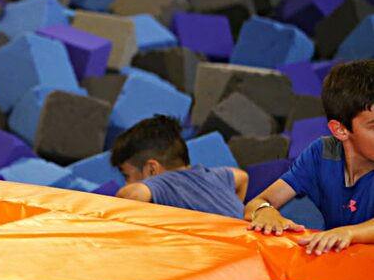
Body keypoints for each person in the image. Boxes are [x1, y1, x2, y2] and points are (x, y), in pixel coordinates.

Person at [245, 60, 374, 255]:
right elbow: (256, 203)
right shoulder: (322, 153)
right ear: (340, 130)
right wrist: (265, 212)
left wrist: (349, 233)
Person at [111, 115, 249, 218]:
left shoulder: (162, 184)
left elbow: (133, 194)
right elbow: (242, 177)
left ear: (151, 169)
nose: (125, 184)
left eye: (126, 176)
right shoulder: (216, 177)